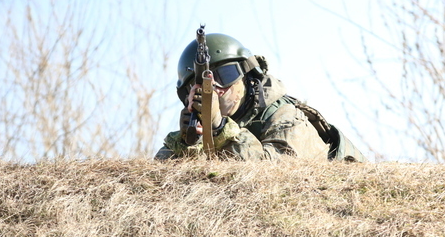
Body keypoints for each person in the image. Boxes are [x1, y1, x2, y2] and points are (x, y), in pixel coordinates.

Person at [155, 30, 366, 162]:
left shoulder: (285, 116)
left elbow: (270, 177)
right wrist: (188, 143)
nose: (216, 89)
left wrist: (219, 128)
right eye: (199, 85)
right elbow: (160, 183)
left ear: (247, 77)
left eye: (226, 75)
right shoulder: (197, 128)